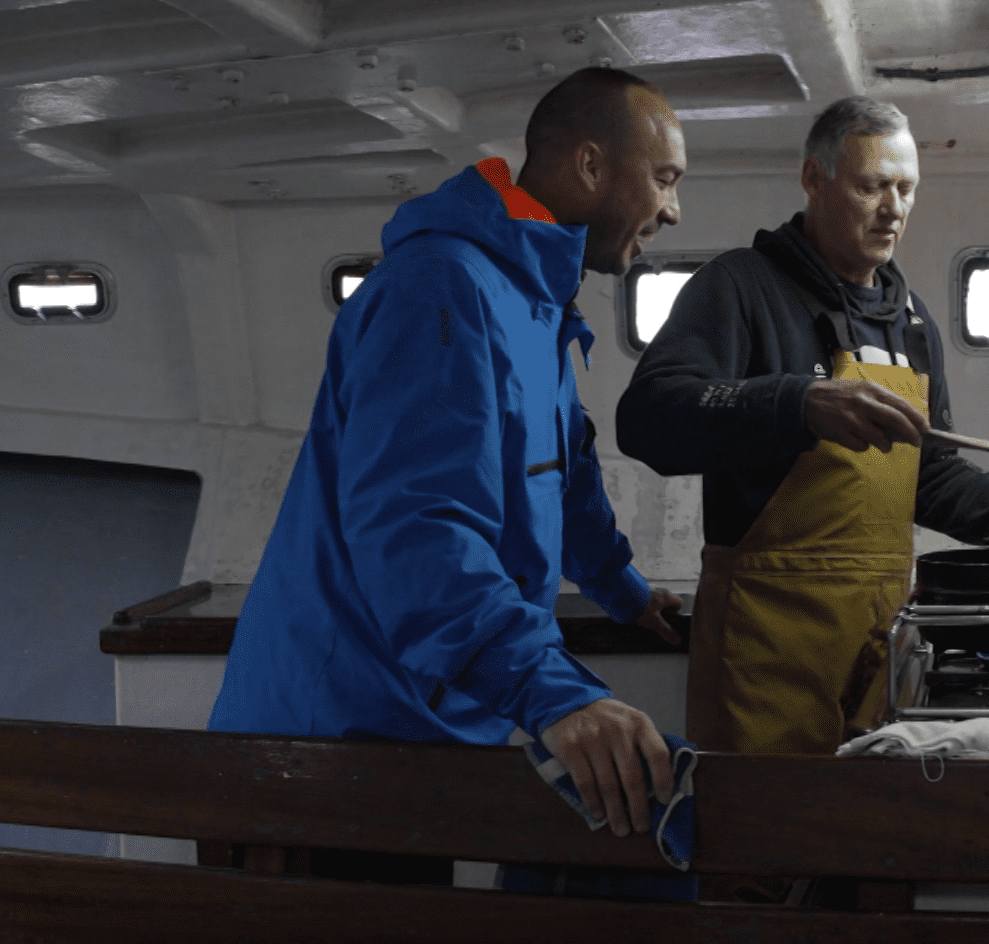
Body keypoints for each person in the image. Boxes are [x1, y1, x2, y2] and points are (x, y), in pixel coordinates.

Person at [210, 68, 689, 865]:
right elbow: (419, 528)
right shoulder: (440, 289)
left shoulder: (532, 299)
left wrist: (624, 591)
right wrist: (553, 694)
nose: (673, 210)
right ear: (591, 165)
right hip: (330, 742)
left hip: (419, 728)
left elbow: (561, 473)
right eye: (665, 178)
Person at [616, 96, 989, 756]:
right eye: (872, 186)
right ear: (814, 178)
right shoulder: (740, 287)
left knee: (866, 813)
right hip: (767, 643)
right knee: (762, 817)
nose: (893, 209)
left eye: (906, 189)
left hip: (879, 639)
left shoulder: (912, 321)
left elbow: (929, 476)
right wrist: (798, 403)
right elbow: (648, 417)